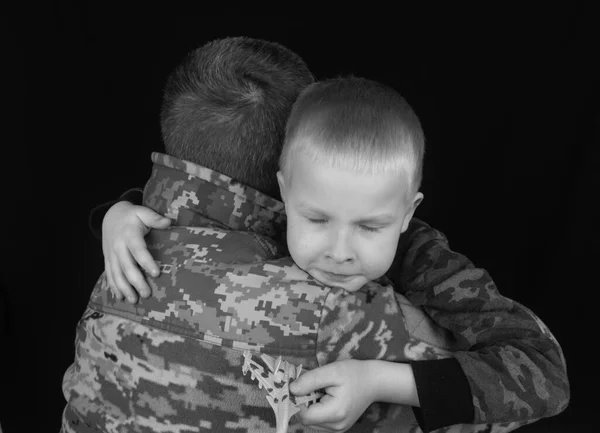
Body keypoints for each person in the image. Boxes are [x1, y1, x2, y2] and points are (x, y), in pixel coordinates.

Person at [64, 38, 569, 433]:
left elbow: (541, 373)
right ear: (284, 184)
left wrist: (119, 210)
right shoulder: (332, 310)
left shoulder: (126, 254)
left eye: (370, 226)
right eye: (317, 218)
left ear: (406, 214)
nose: (341, 252)